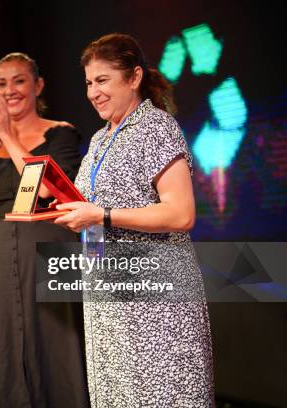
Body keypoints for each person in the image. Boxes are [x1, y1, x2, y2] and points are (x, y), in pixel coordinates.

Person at [54, 33, 214, 406]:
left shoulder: (156, 128)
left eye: (103, 80)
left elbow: (181, 213)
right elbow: (94, 209)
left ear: (135, 76)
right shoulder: (98, 139)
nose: (93, 92)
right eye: (89, 83)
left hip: (156, 305)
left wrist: (102, 215)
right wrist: (71, 213)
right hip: (107, 302)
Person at [0, 52, 89, 407]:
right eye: (2, 83)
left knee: (56, 345)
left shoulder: (58, 133)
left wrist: (10, 140)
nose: (10, 90)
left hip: (50, 249)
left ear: (38, 85)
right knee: (1, 347)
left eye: (19, 81)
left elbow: (45, 189)